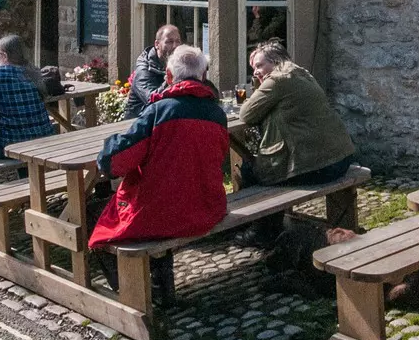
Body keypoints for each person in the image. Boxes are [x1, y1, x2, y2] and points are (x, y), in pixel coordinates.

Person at [89, 44, 230, 305]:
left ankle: (140, 294)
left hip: (163, 213)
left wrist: (109, 144)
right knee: (163, 196)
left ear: (168, 76)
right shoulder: (217, 114)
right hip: (207, 206)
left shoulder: (158, 112)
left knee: (95, 220)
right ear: (202, 75)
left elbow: (114, 163)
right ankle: (161, 283)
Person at [230, 41, 356, 189]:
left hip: (320, 167)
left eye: (259, 65)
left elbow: (246, 114)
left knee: (248, 170)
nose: (255, 72)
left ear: (276, 61)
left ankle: (259, 210)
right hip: (341, 158)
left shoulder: (277, 79)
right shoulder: (302, 73)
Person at [0, 34, 57, 160]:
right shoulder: (33, 72)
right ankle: (26, 177)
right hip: (41, 139)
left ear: (4, 56)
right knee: (22, 151)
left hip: (10, 143)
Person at [127, 24, 180, 111]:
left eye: (178, 41)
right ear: (157, 44)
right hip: (138, 119)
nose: (175, 46)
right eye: (169, 41)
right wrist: (169, 81)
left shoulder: (177, 62)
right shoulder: (144, 68)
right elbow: (151, 100)